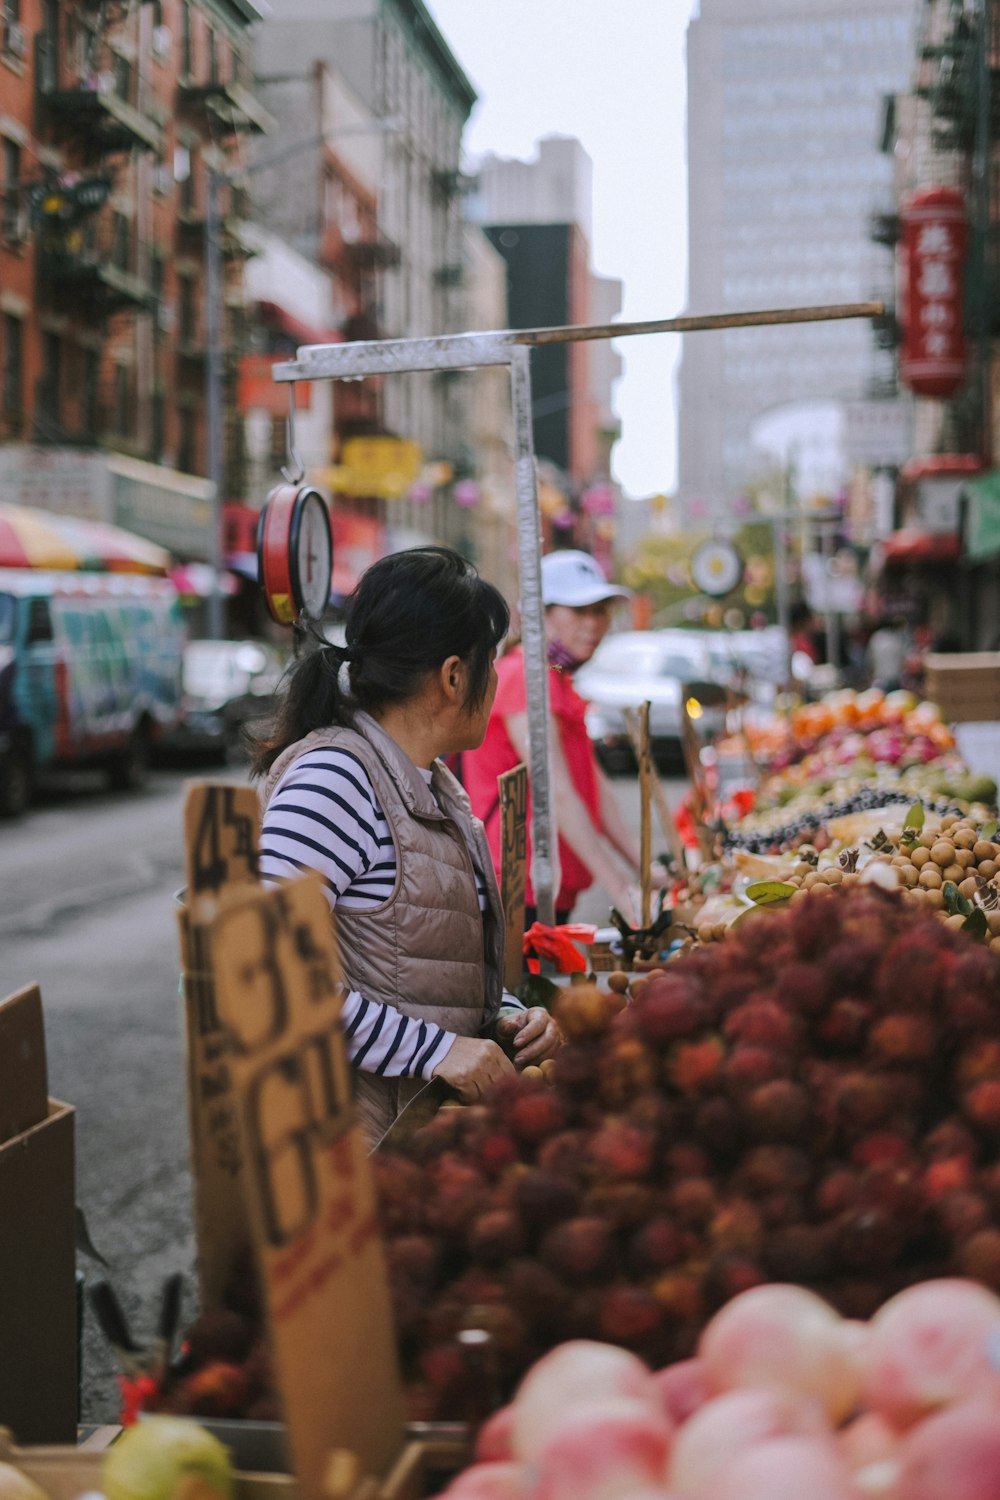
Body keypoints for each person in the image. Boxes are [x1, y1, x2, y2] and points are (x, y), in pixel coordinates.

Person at [250, 546, 561, 1147]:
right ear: (452, 676)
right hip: (346, 1151)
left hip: (414, 1139)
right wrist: (437, 1050)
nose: (496, 682)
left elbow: (417, 961)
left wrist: (505, 1014)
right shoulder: (336, 781)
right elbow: (268, 973)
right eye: (491, 664)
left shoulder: (431, 783)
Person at [461, 549, 668, 926]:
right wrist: (622, 892)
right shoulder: (525, 676)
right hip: (516, 887)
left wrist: (644, 869)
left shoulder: (556, 678)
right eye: (579, 611)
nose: (593, 623)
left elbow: (595, 788)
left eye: (601, 610)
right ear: (540, 615)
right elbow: (555, 789)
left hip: (549, 884)